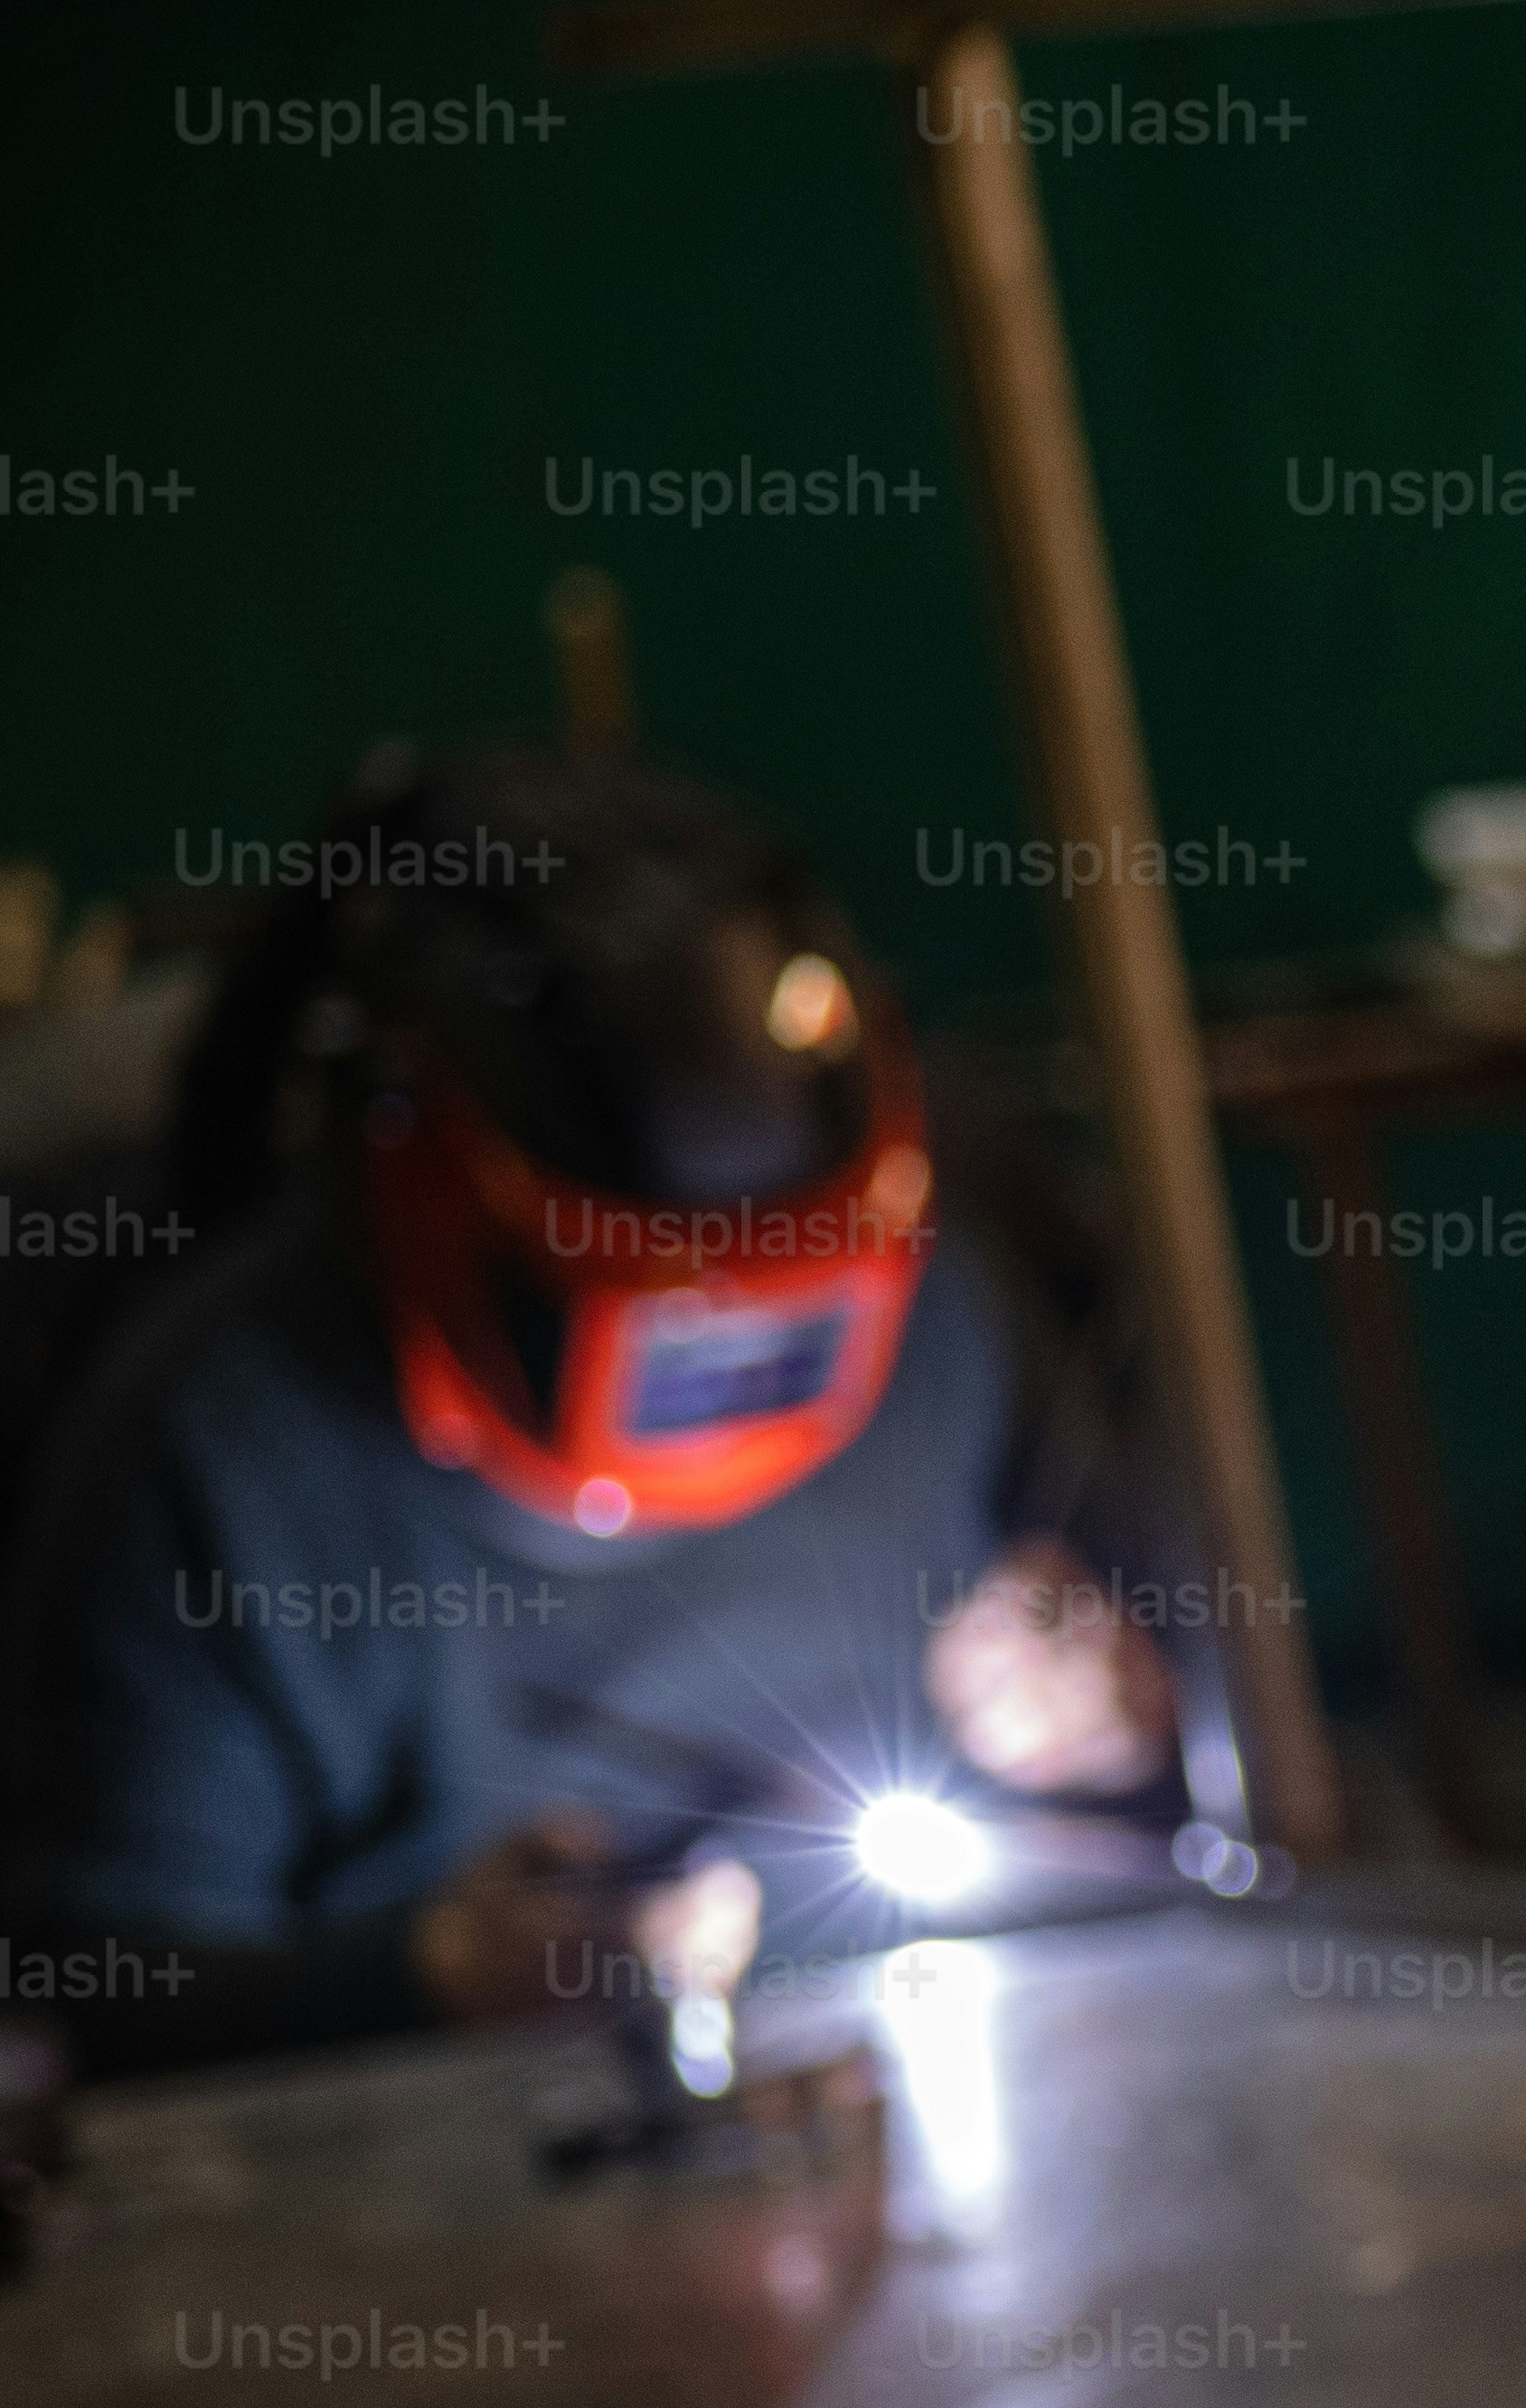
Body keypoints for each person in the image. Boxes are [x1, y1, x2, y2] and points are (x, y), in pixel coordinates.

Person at [0, 739, 1182, 2082]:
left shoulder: (943, 1314)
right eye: (670, 1322)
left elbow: (1160, 1775)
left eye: (788, 1305)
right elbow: (98, 2001)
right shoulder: (220, 1450)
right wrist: (424, 1976)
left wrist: (1111, 1725)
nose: (735, 1369)